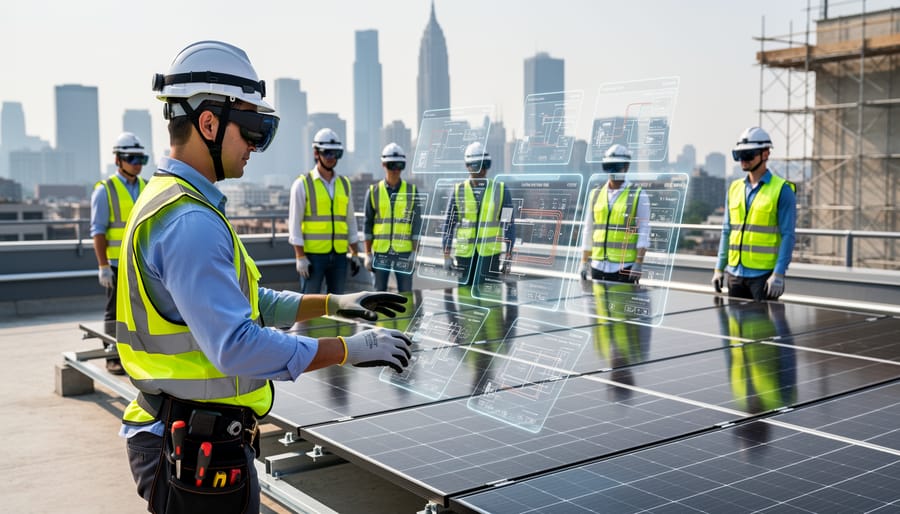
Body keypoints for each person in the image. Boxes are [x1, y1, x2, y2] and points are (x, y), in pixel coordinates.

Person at [118, 40, 412, 514]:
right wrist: (346, 350)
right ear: (208, 123)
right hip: (189, 444)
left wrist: (335, 304)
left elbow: (255, 302)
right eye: (252, 128)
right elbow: (236, 345)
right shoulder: (188, 223)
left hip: (196, 432)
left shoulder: (181, 204)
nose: (256, 146)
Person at [712, 127, 796, 302]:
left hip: (763, 277)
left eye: (748, 155)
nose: (743, 160)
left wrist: (779, 274)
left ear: (765, 154)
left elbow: (787, 235)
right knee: (734, 328)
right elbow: (727, 231)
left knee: (763, 328)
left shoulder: (782, 190)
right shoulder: (734, 188)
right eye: (739, 155)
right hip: (734, 275)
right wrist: (719, 269)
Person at [90, 132, 148, 375]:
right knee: (114, 311)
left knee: (142, 310)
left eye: (140, 159)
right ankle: (112, 356)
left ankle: (137, 354)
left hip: (141, 262)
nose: (136, 164)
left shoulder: (147, 187)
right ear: (118, 160)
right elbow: (98, 232)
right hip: (115, 263)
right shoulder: (105, 190)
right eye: (131, 158)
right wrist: (103, 265)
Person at [289, 127, 363, 294]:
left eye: (336, 154)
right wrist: (300, 256)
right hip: (313, 256)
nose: (331, 158)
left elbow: (350, 220)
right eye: (327, 153)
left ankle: (337, 323)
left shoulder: (344, 184)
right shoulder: (302, 184)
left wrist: (355, 253)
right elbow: (294, 224)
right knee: (308, 304)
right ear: (316, 153)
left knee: (338, 304)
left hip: (339, 255)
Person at [440, 141, 515, 286]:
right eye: (477, 165)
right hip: (464, 256)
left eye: (485, 165)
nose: (482, 170)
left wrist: (509, 255)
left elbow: (508, 225)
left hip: (490, 256)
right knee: (465, 300)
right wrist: (446, 255)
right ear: (468, 166)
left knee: (491, 301)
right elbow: (448, 226)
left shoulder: (500, 190)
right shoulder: (458, 191)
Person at [579, 144, 650, 283]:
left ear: (626, 167)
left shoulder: (638, 195)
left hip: (624, 267)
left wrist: (639, 263)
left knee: (622, 304)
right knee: (598, 305)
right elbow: (588, 230)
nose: (612, 171)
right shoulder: (595, 194)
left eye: (616, 166)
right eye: (608, 167)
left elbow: (644, 231)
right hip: (597, 266)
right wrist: (584, 261)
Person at [363, 143, 422, 292]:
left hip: (404, 253)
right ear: (383, 164)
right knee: (379, 295)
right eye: (391, 165)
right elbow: (367, 224)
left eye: (399, 166)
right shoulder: (373, 191)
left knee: (405, 295)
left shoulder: (412, 191)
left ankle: (406, 316)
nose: (395, 170)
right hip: (381, 253)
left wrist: (415, 253)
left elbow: (416, 225)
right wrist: (368, 254)